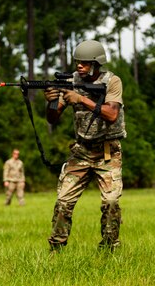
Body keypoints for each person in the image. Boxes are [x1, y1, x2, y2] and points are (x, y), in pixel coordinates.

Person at [43, 39, 126, 251]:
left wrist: (81, 99)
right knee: (63, 201)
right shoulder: (71, 81)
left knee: (111, 202)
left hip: (107, 153)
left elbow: (111, 114)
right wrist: (52, 100)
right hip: (81, 152)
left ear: (97, 63)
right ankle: (56, 249)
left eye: (85, 62)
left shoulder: (113, 81)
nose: (79, 66)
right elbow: (53, 118)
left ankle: (109, 248)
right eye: (78, 62)